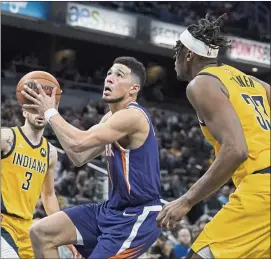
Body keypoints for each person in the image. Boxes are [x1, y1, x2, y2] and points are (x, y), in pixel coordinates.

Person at [21, 56, 162, 258]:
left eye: (119, 75)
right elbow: (78, 156)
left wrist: (51, 112)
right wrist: (53, 116)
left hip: (137, 215)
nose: (110, 78)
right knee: (41, 233)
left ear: (134, 89)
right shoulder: (108, 118)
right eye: (109, 73)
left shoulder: (133, 116)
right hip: (110, 210)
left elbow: (78, 141)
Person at [156, 13, 270, 259]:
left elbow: (236, 150)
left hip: (261, 191)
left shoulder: (202, 84)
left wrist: (187, 200)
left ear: (189, 55)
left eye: (177, 52)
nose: (174, 59)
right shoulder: (254, 82)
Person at [1, 110, 78, 258]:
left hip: (26, 227)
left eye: (43, 109)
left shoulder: (50, 152)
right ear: (23, 111)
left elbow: (48, 196)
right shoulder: (6, 137)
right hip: (3, 222)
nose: (40, 113)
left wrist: (64, 235)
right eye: (34, 109)